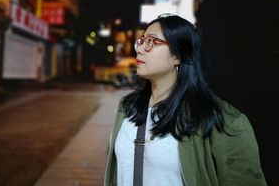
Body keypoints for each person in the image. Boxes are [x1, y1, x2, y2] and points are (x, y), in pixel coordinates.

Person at [104, 14, 266, 186]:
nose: (140, 49)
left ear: (178, 56)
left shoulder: (221, 120)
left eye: (152, 41)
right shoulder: (127, 107)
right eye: (141, 41)